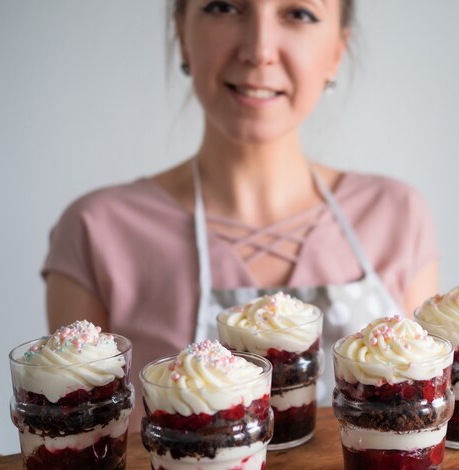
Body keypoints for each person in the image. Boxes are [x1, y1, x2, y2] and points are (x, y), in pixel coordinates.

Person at [43, 0, 439, 430]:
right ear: (182, 35)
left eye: (299, 13)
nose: (258, 49)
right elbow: (81, 443)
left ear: (336, 53)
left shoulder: (397, 216)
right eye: (224, 6)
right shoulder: (96, 230)